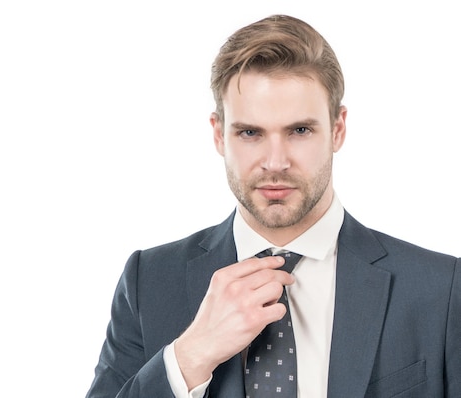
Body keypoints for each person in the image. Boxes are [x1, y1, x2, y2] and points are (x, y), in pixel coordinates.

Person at [85, 14, 460, 398]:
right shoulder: (148, 282)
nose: (275, 161)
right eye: (250, 133)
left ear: (338, 129)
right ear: (218, 135)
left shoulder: (440, 290)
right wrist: (189, 357)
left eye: (300, 131)